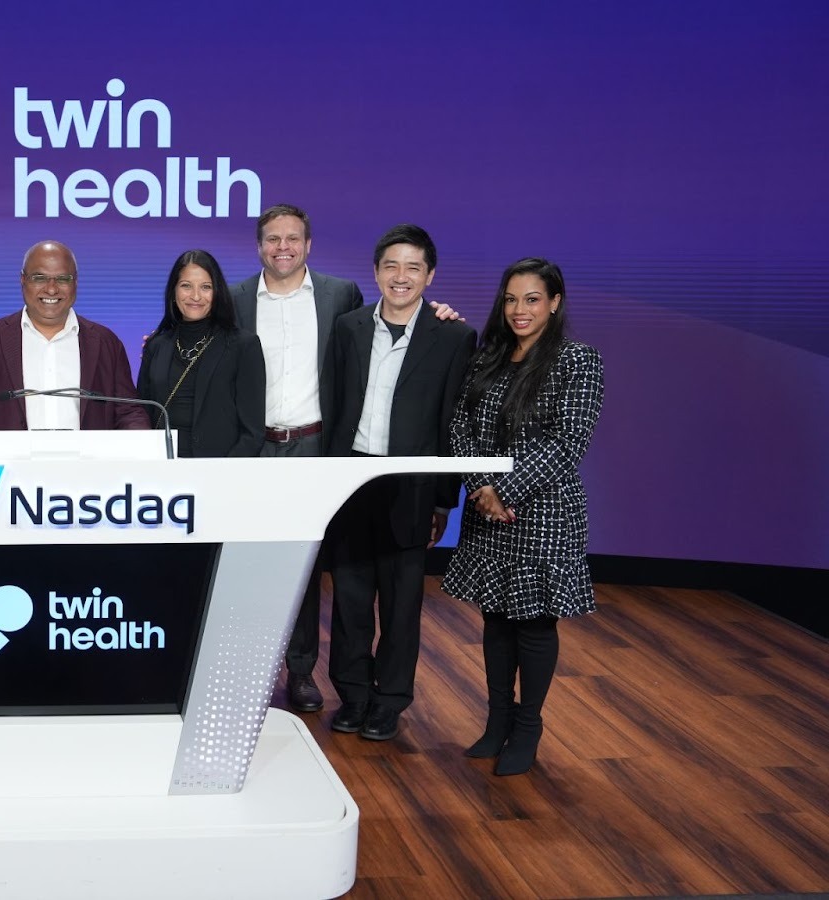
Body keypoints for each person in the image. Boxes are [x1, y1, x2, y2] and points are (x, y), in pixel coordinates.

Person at [229, 204, 458, 714]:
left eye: (293, 238)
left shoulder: (340, 295)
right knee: (246, 562)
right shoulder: (234, 298)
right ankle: (243, 670)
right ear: (259, 245)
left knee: (307, 565)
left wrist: (437, 314)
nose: (283, 247)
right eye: (272, 238)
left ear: (309, 245)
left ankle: (301, 670)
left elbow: (396, 320)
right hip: (252, 448)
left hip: (316, 448)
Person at [441, 257, 604, 776]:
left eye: (532, 299)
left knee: (533, 623)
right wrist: (480, 487)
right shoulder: (487, 358)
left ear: (554, 302)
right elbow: (459, 427)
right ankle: (497, 721)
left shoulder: (578, 361)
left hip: (544, 512)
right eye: (511, 299)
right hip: (487, 509)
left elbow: (567, 442)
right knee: (495, 618)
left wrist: (504, 490)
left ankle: (528, 728)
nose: (520, 310)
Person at [324, 225, 476, 742]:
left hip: (411, 485)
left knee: (401, 602)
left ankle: (389, 701)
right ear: (376, 272)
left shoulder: (453, 336)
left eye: (413, 267)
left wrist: (444, 501)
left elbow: (451, 421)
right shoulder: (348, 327)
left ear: (430, 276)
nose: (401, 276)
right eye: (391, 265)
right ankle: (353, 695)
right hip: (351, 477)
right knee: (349, 598)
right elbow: (334, 403)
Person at [0, 241, 149, 435]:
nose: (51, 289)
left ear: (76, 282)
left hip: (88, 463)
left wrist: (146, 444)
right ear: (22, 280)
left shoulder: (105, 342)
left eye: (63, 279)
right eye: (39, 278)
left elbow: (128, 412)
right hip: (11, 463)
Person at [136, 250, 264, 457]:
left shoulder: (243, 345)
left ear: (217, 293)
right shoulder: (156, 345)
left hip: (220, 468)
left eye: (206, 287)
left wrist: (225, 470)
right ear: (173, 291)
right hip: (162, 467)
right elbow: (142, 413)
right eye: (186, 286)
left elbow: (253, 432)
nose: (195, 296)